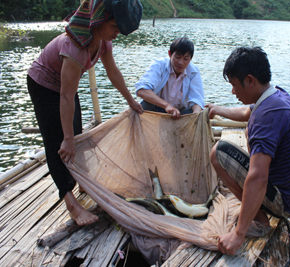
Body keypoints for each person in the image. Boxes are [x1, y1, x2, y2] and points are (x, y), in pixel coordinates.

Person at [26, 0, 143, 226]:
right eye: (115, 28)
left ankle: (84, 182)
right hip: (44, 85)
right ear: (98, 20)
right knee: (59, 143)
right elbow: (65, 97)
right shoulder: (74, 47)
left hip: (65, 87)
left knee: (77, 135)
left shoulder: (103, 41)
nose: (117, 34)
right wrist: (67, 139)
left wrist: (131, 102)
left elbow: (113, 72)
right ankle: (71, 204)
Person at [206, 47, 290, 255]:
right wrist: (219, 109)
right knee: (248, 131)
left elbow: (258, 177)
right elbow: (248, 111)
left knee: (218, 153)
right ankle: (259, 209)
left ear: (249, 80)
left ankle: (259, 219)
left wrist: (238, 234)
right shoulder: (276, 96)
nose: (233, 92)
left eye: (234, 85)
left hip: (286, 201)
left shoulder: (266, 117)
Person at [135, 36, 204, 119]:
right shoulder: (159, 65)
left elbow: (197, 100)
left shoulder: (194, 72)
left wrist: (195, 116)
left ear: (191, 59)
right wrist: (166, 105)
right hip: (156, 109)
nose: (181, 63)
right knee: (145, 105)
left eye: (185, 59)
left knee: (192, 112)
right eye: (177, 57)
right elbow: (141, 90)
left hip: (178, 113)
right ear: (170, 54)